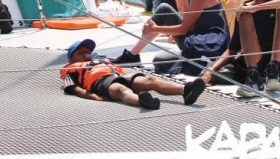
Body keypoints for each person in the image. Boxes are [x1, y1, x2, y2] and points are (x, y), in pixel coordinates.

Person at [114, 0, 228, 74]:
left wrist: (154, 28)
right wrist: (157, 28)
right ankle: (133, 54)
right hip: (194, 40)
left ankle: (132, 55)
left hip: (209, 45)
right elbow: (187, 25)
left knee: (159, 61)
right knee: (164, 9)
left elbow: (184, 29)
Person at [62, 38, 205, 110]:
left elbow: (119, 62)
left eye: (88, 52)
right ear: (71, 58)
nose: (86, 55)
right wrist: (94, 96)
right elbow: (72, 88)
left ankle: (185, 91)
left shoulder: (100, 60)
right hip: (101, 82)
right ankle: (142, 101)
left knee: (149, 80)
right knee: (120, 90)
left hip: (119, 76)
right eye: (81, 53)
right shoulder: (71, 68)